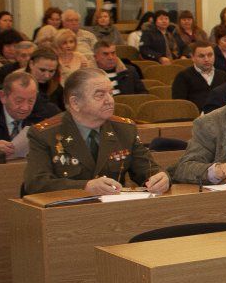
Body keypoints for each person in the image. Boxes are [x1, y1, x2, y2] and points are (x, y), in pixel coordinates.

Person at [22, 68, 171, 196]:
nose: (109, 100)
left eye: (111, 93)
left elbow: (147, 169)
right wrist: (85, 187)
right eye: (100, 95)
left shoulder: (125, 129)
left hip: (113, 211)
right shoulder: (45, 134)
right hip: (66, 212)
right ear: (75, 102)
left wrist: (161, 178)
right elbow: (36, 184)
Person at [171, 42, 226, 106]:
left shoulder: (223, 76)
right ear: (193, 57)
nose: (206, 59)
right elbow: (179, 105)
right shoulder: (182, 77)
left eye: (210, 55)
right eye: (201, 56)